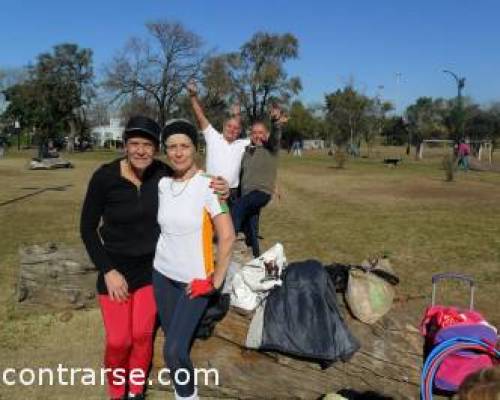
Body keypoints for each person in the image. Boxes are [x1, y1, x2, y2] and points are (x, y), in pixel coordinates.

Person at [80, 116, 229, 400]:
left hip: (151, 271)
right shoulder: (104, 177)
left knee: (140, 337)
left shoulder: (161, 174)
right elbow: (86, 229)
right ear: (124, 145)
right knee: (118, 340)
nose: (140, 151)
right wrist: (108, 270)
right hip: (115, 272)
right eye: (134, 144)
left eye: (147, 145)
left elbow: (194, 179)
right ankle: (116, 393)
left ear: (155, 149)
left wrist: (222, 187)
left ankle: (136, 391)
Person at [153, 119, 235, 400]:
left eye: (184, 146)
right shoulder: (163, 183)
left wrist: (214, 282)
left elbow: (228, 236)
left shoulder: (210, 185)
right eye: (172, 147)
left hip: (194, 282)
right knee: (173, 339)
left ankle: (188, 396)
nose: (178, 153)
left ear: (194, 148)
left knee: (173, 350)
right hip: (161, 275)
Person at [230, 105, 287, 258]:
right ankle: (257, 258)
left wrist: (275, 121)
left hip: (260, 193)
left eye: (261, 133)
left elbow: (276, 136)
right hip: (248, 194)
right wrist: (236, 116)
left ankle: (227, 241)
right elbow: (238, 134)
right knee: (252, 228)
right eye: (254, 133)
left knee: (238, 208)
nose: (257, 135)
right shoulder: (247, 150)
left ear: (266, 134)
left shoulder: (271, 148)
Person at [188, 80, 250, 207]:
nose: (232, 130)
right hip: (211, 190)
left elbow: (262, 136)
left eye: (236, 128)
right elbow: (200, 116)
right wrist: (193, 97)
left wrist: (277, 124)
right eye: (229, 126)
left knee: (230, 226)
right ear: (223, 126)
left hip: (232, 193)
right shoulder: (213, 136)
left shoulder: (243, 143)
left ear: (240, 132)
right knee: (208, 225)